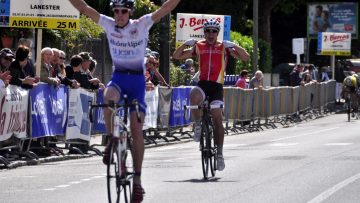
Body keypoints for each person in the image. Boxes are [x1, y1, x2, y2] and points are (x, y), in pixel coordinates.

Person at [68, 0, 181, 201]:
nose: (119, 14)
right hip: (119, 77)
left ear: (130, 12)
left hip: (137, 80)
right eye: (117, 11)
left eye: (124, 11)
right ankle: (112, 138)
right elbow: (85, 8)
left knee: (137, 130)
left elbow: (166, 8)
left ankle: (137, 180)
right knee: (108, 96)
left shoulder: (141, 24)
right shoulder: (109, 24)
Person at [173, 18, 250, 171]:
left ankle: (220, 153)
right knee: (193, 95)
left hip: (216, 86)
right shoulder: (199, 46)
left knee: (217, 117)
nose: (210, 34)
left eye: (214, 31)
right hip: (203, 84)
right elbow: (176, 56)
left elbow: (246, 57)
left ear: (217, 33)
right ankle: (198, 125)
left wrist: (234, 45)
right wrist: (185, 44)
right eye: (207, 30)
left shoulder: (223, 47)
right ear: (204, 32)